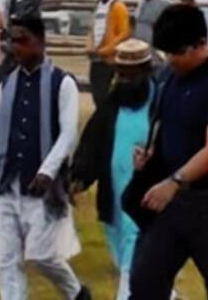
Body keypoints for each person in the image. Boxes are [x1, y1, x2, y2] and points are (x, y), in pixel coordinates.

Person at [129, 4, 208, 300]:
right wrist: (151, 156)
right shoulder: (169, 77)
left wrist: (175, 181)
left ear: (200, 44)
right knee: (145, 280)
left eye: (178, 53)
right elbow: (165, 127)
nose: (172, 60)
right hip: (172, 201)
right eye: (167, 53)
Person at [0, 15, 86, 300]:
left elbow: (67, 135)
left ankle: (76, 292)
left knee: (42, 255)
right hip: (6, 184)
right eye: (12, 41)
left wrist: (47, 171)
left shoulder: (62, 83)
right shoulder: (6, 85)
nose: (16, 47)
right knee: (7, 259)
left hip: (41, 187)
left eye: (23, 40)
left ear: (40, 42)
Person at [69, 38, 158, 300]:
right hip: (114, 197)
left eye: (132, 74)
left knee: (133, 260)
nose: (126, 80)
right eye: (121, 74)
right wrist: (78, 178)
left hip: (147, 199)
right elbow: (92, 145)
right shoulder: (111, 104)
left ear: (145, 71)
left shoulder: (159, 104)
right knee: (126, 261)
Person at [88, 0, 133, 99]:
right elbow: (93, 29)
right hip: (96, 58)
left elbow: (124, 34)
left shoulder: (118, 7)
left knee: (105, 95)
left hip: (110, 61)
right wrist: (90, 47)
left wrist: (106, 50)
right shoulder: (98, 7)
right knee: (97, 93)